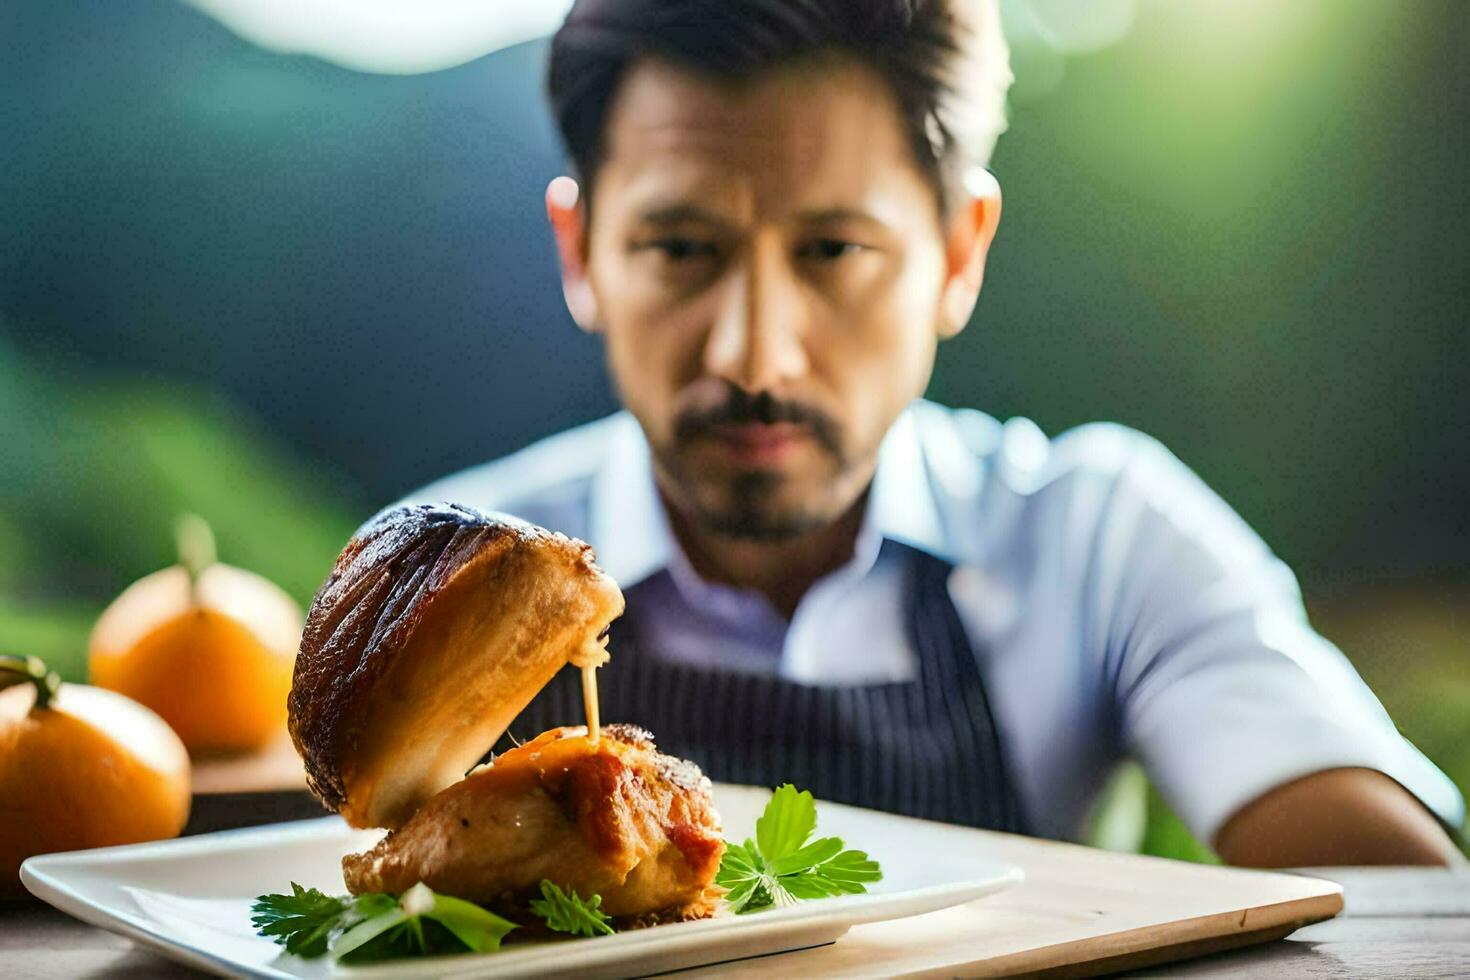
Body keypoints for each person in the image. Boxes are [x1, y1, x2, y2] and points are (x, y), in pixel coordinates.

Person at [399, 0, 1464, 866]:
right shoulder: (445, 583)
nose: (754, 356)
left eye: (833, 250)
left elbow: (1400, 909)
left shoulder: (1099, 539)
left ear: (960, 251)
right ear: (581, 251)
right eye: (681, 248)